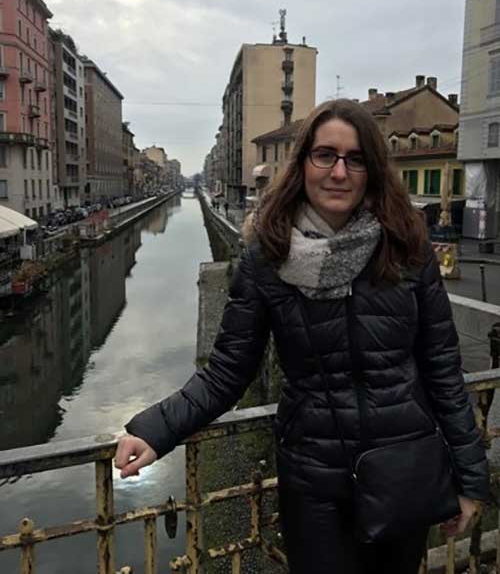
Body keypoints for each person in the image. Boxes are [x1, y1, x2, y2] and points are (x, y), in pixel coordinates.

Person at [115, 100, 489, 573]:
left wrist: (471, 479)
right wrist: (155, 429)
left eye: (355, 159)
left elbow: (443, 371)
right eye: (325, 155)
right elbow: (228, 372)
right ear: (303, 164)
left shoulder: (407, 250)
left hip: (403, 467)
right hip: (314, 482)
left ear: (371, 170)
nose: (339, 171)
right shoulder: (266, 259)